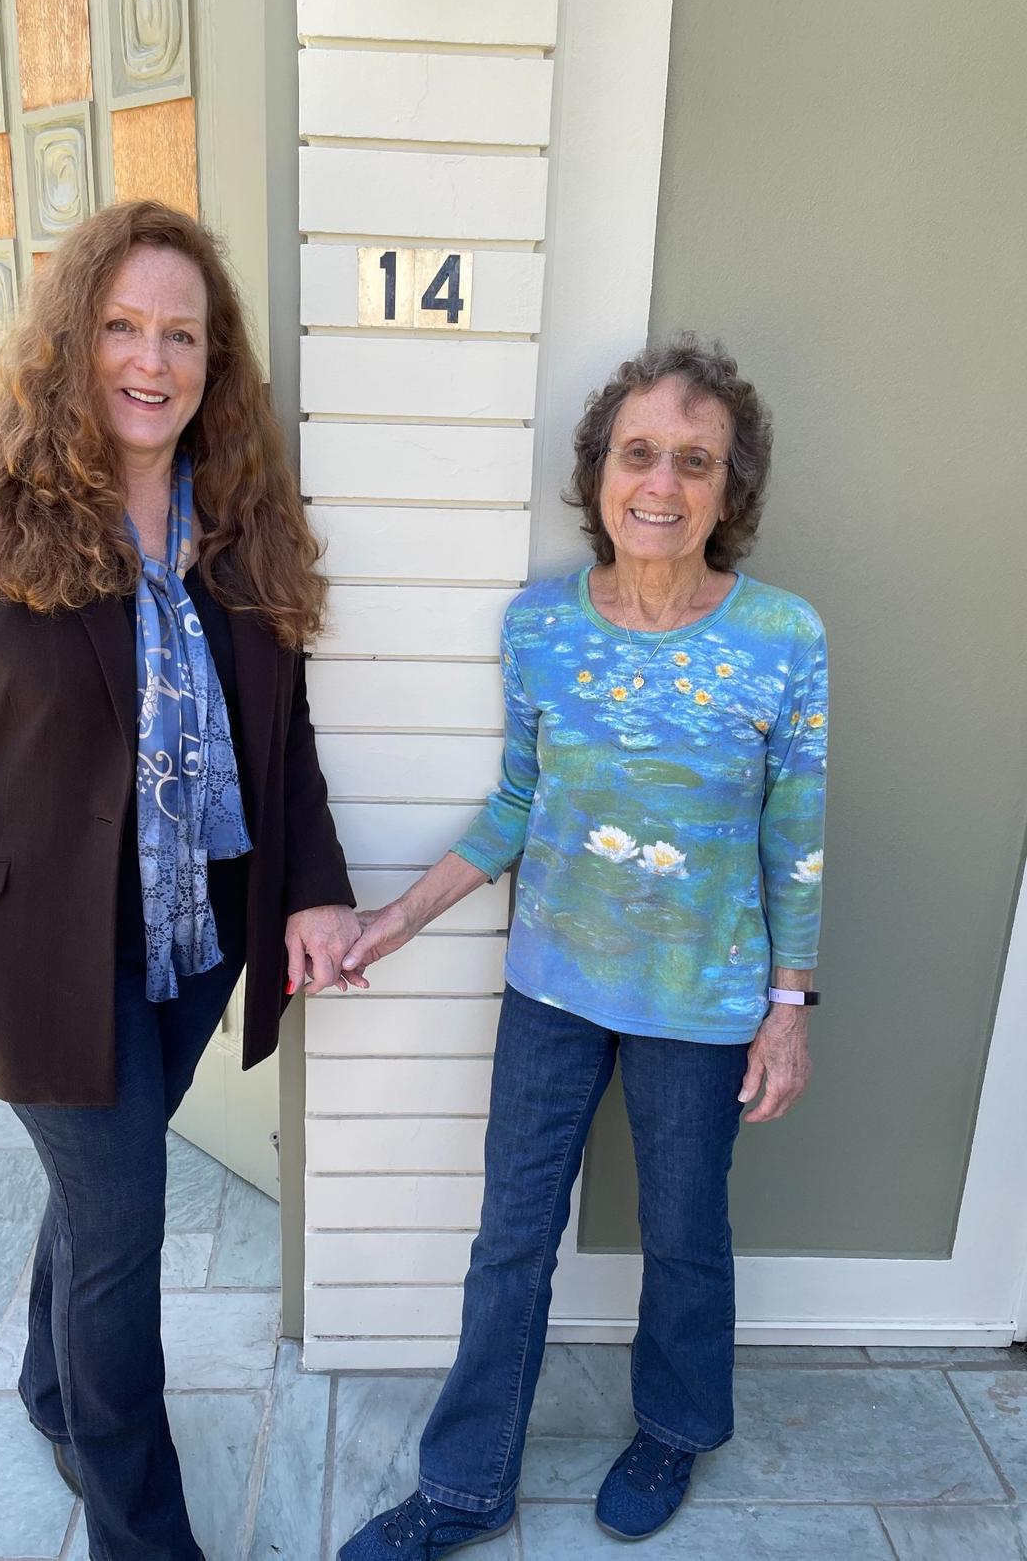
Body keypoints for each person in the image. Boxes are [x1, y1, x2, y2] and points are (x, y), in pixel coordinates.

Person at [0, 199, 361, 1561]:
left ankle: (50, 1390)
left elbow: (284, 732)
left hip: (197, 940)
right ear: (72, 340)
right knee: (126, 1227)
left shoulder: (243, 522)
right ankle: (143, 1532)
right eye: (122, 326)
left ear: (213, 359)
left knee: (101, 1197)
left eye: (181, 334)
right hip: (33, 952)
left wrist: (314, 885)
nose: (152, 359)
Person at [338, 336, 827, 1555]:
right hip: (551, 988)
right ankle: (465, 1486)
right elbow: (518, 804)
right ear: (599, 471)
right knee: (511, 1237)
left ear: (729, 488)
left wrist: (788, 1009)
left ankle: (674, 1429)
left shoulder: (783, 637)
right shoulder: (541, 628)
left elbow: (797, 840)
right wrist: (397, 918)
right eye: (638, 453)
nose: (660, 484)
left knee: (685, 1235)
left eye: (694, 461)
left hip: (702, 1003)